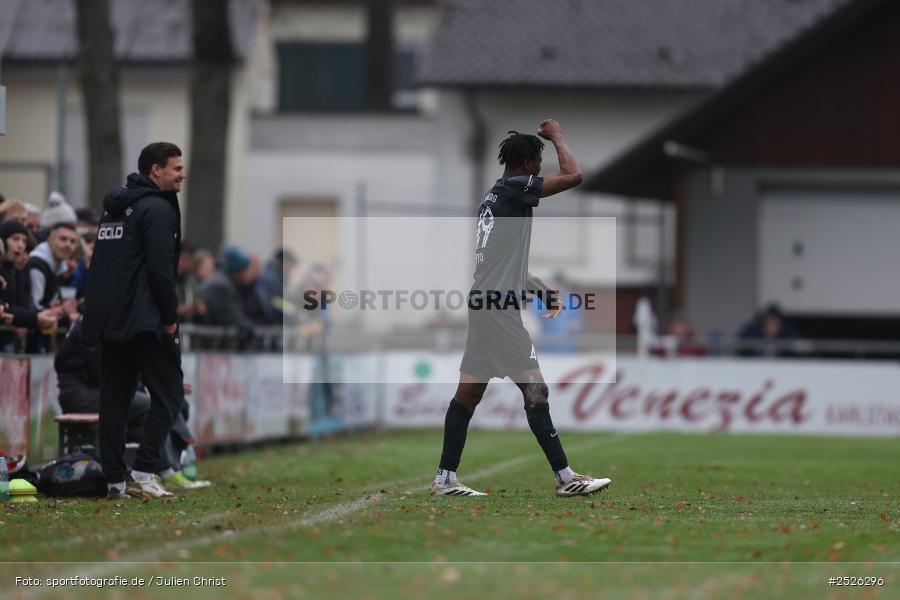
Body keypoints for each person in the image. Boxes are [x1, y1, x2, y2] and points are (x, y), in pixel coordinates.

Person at [431, 120, 611, 497]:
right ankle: (565, 478)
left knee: (468, 395)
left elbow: (507, 264)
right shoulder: (517, 188)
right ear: (529, 165)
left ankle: (445, 479)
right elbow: (574, 175)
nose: (542, 169)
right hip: (497, 308)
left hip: (483, 302)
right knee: (536, 389)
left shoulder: (494, 197)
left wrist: (541, 289)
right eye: (539, 162)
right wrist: (559, 136)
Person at [83, 141, 188, 500]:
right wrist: (170, 316)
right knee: (170, 393)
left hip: (111, 320)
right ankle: (144, 470)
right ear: (155, 170)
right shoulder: (156, 209)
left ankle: (114, 481)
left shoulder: (115, 209)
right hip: (145, 319)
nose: (182, 174)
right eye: (175, 168)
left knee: (114, 401)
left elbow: (101, 265)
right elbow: (161, 269)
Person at [55, 317, 210, 490]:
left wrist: (153, 385)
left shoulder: (105, 321)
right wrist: (145, 388)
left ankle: (171, 466)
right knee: (155, 405)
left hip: (94, 389)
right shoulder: (95, 326)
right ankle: (168, 468)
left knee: (173, 404)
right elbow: (102, 373)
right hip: (81, 394)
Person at [0, 220, 58, 352]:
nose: (21, 245)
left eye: (24, 241)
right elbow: (7, 308)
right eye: (15, 239)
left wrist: (42, 315)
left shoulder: (17, 272)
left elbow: (20, 306)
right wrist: (35, 318)